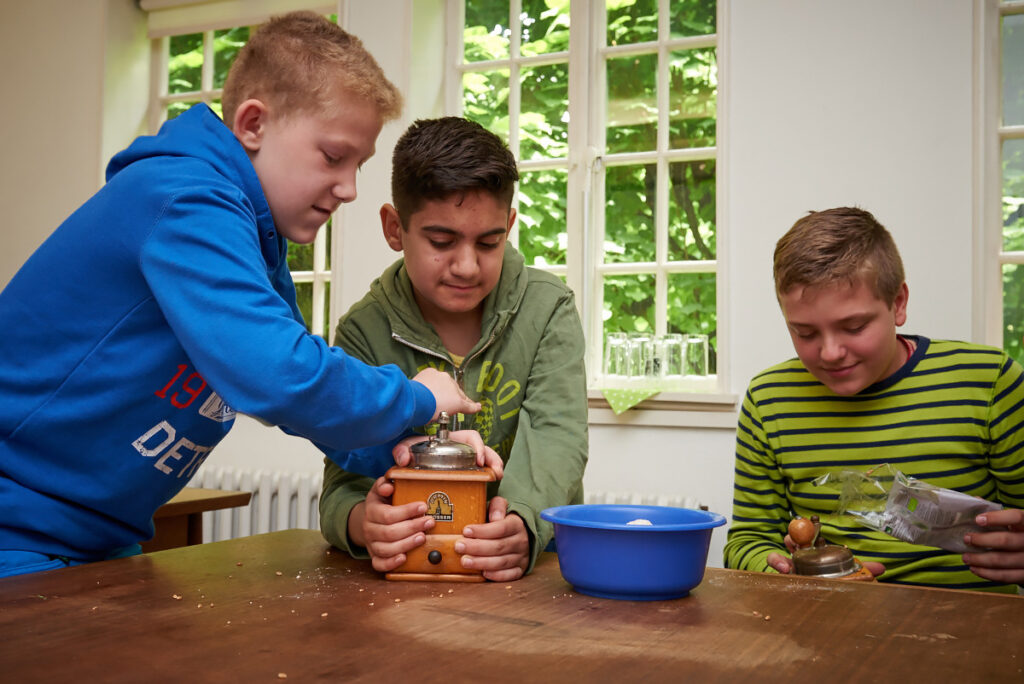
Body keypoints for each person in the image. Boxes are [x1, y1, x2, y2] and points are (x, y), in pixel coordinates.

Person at [0, 12, 483, 579]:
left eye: (359, 165)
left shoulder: (255, 242)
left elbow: (305, 407)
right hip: (17, 532)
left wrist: (412, 452)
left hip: (96, 539)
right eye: (333, 156)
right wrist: (415, 397)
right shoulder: (185, 199)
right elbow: (278, 374)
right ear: (253, 124)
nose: (349, 188)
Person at [318, 117, 589, 582]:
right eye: (442, 242)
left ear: (509, 225)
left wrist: (522, 523)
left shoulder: (548, 308)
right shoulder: (363, 329)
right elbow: (342, 483)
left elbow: (558, 437)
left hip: (528, 578)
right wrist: (365, 524)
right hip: (405, 585)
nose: (467, 266)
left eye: (489, 242)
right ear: (394, 229)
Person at [724, 207, 1024, 592]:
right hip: (823, 624)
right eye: (804, 333)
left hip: (974, 629)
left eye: (854, 327)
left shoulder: (990, 382)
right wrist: (787, 574)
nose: (830, 352)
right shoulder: (769, 399)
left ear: (898, 303)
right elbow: (747, 541)